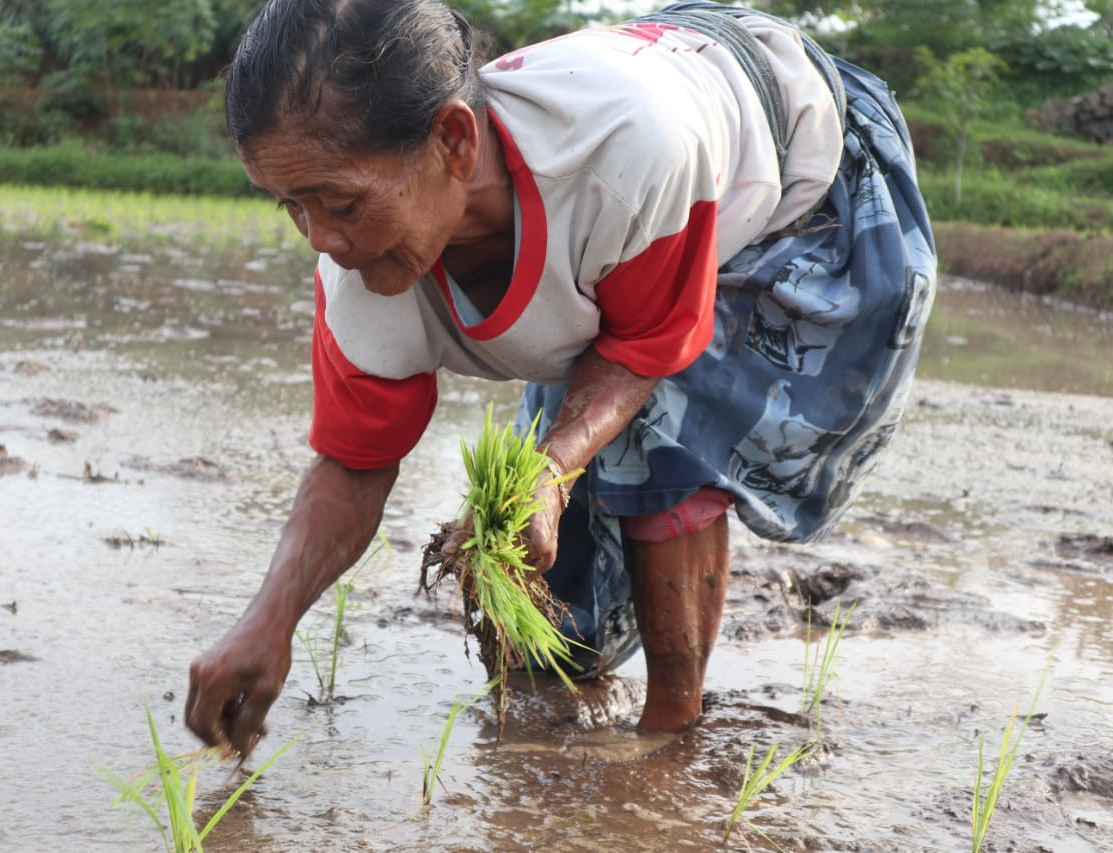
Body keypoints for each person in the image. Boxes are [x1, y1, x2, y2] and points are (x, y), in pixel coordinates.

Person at [184, 0, 936, 757]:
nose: (324, 240)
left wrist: (555, 462)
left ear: (453, 140)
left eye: (342, 203)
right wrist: (268, 622)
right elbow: (353, 461)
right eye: (292, 206)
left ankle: (671, 739)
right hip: (639, 211)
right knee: (554, 601)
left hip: (799, 164)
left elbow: (646, 346)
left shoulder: (621, 158)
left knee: (657, 437)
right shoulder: (355, 274)